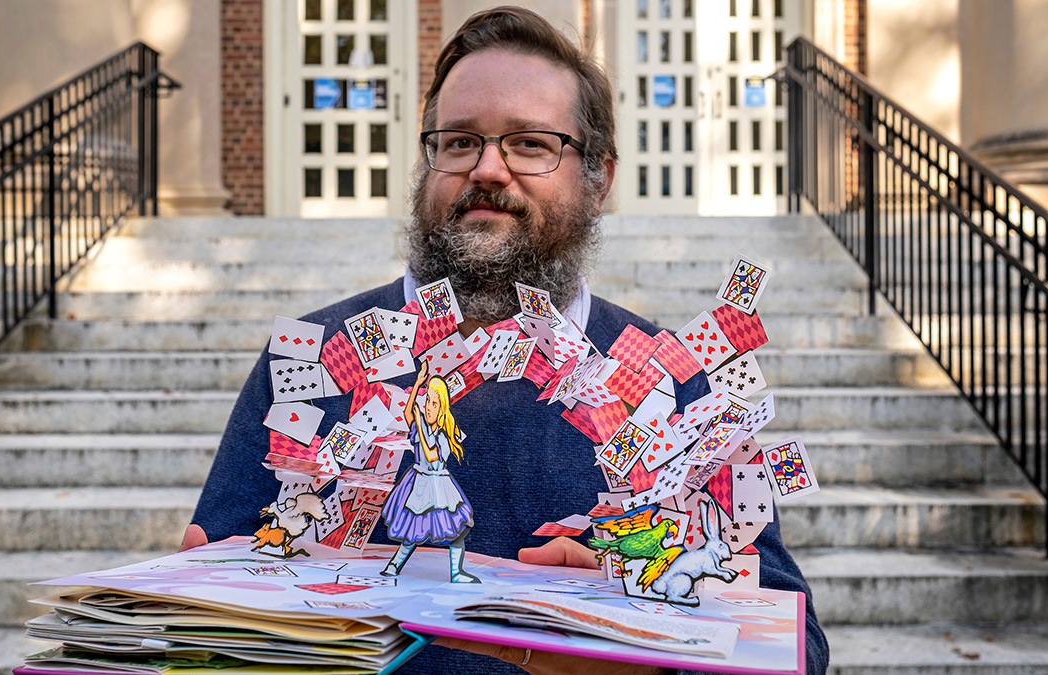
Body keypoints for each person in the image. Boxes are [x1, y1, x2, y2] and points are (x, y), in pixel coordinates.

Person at [182, 6, 829, 674]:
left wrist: (655, 654)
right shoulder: (316, 355)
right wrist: (189, 624)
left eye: (529, 144)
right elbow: (211, 618)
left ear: (599, 177)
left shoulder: (671, 375)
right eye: (459, 141)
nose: (488, 168)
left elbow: (794, 645)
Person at [379, 360, 477, 582]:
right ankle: (394, 567)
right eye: (427, 402)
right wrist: (417, 383)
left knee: (457, 531)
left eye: (434, 403)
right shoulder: (419, 423)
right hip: (418, 483)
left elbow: (432, 455)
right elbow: (407, 413)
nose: (428, 407)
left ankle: (456, 573)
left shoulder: (444, 434)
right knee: (412, 529)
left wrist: (423, 430)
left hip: (439, 485)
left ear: (442, 407)